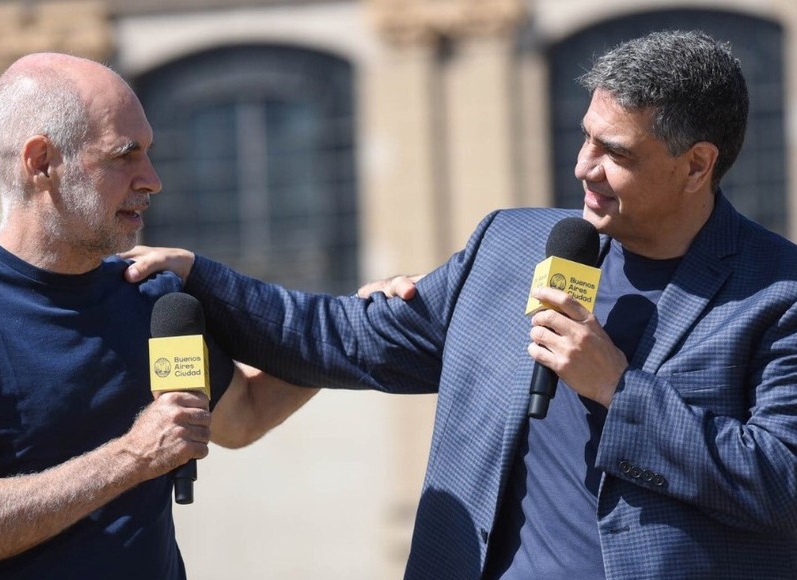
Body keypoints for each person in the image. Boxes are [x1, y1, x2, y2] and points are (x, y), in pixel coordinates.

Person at [125, 29, 797, 579]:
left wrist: (619, 391)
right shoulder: (514, 246)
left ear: (696, 165)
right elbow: (344, 339)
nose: (583, 167)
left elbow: (781, 482)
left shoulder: (778, 294)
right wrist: (203, 277)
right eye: (586, 136)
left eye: (615, 152)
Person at [0, 53, 313, 579]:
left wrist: (357, 327)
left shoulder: (153, 301)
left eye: (149, 155)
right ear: (41, 163)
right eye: (125, 156)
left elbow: (242, 416)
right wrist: (133, 456)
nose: (152, 180)